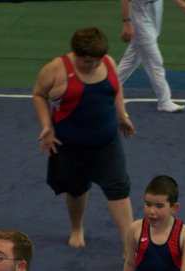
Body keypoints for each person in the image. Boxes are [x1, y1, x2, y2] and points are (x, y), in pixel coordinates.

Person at [33, 26, 135, 249]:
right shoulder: (56, 69)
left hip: (107, 143)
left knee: (119, 191)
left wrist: (122, 116)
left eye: (97, 61)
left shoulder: (108, 62)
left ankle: (129, 249)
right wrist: (47, 126)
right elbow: (39, 94)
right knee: (76, 190)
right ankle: (77, 228)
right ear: (75, 53)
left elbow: (116, 89)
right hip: (70, 146)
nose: (94, 65)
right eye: (88, 62)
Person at [118, 0, 185, 113]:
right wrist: (127, 23)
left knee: (132, 59)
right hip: (140, 23)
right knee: (155, 62)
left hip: (153, 20)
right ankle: (164, 101)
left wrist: (179, 2)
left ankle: (109, 86)